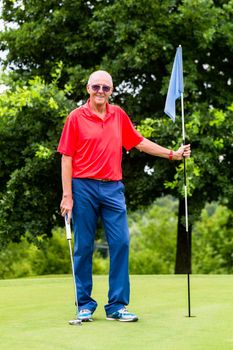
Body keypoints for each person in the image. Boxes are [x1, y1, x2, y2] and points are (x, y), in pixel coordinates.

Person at [58, 70, 191, 322]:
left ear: (112, 90)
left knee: (121, 242)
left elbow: (139, 142)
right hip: (83, 187)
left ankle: (117, 305)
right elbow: (67, 157)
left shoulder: (118, 115)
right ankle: (84, 304)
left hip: (112, 188)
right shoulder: (76, 117)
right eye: (96, 87)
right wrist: (67, 196)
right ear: (88, 88)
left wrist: (173, 154)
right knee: (83, 246)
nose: (100, 92)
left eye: (105, 88)